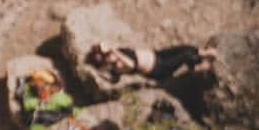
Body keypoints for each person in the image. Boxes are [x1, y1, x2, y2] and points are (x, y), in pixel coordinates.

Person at [87, 43, 217, 83]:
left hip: (157, 55)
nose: (109, 54)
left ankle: (197, 62)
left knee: (184, 48)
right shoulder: (117, 66)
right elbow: (131, 64)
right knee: (185, 55)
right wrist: (115, 52)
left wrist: (109, 49)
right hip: (158, 68)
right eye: (106, 56)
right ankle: (201, 64)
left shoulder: (117, 54)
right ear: (106, 62)